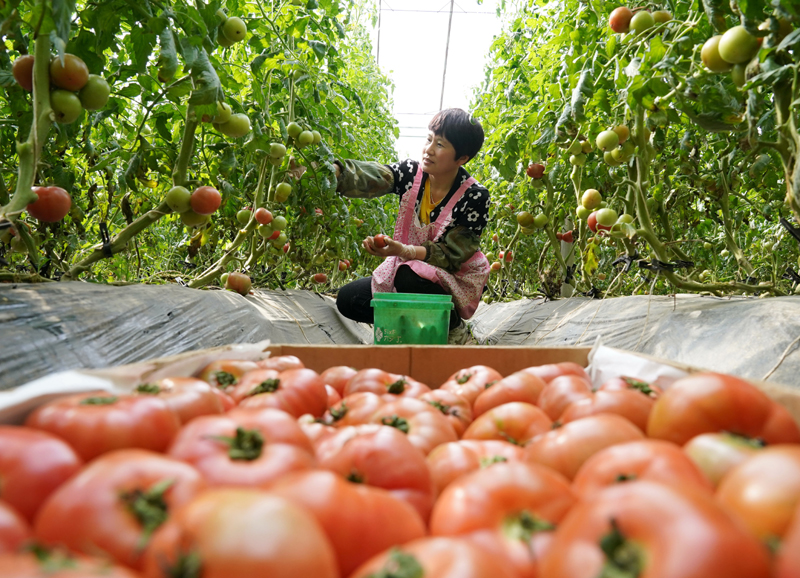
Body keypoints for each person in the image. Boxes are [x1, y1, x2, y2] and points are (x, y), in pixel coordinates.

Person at [333, 108, 490, 344]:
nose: (428, 150)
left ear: (462, 158)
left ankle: (454, 328)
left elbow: (452, 255)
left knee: (408, 276)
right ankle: (413, 325)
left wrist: (404, 251)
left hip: (453, 276)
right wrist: (336, 173)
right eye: (429, 139)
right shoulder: (411, 174)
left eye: (440, 144)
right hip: (409, 266)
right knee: (349, 299)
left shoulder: (474, 196)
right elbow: (378, 175)